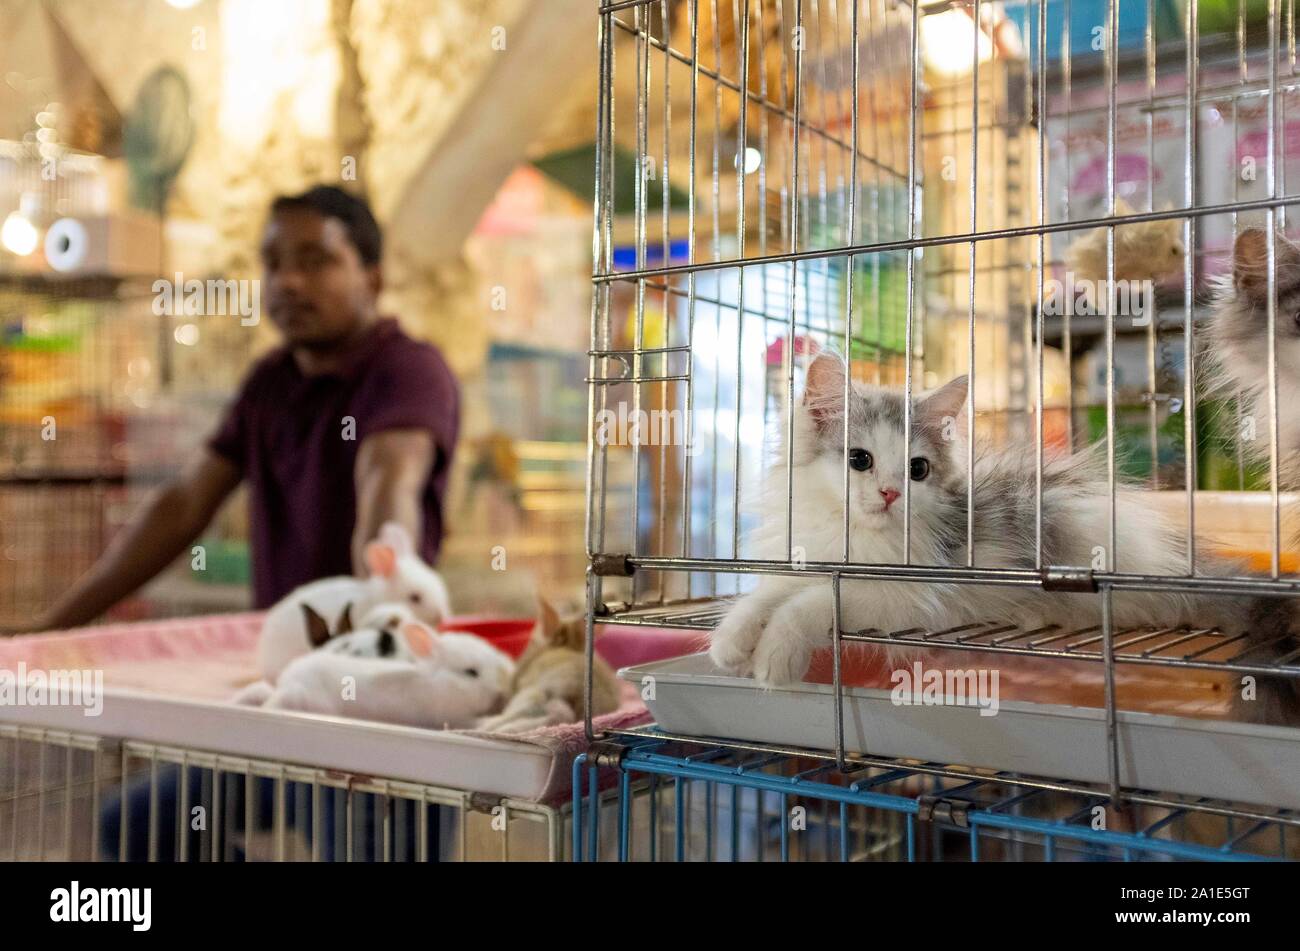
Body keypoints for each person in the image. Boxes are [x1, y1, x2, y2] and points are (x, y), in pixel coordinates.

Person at [14, 184, 459, 631]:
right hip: (284, 658)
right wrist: (52, 628)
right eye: (274, 263)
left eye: (315, 260)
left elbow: (389, 487)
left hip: (370, 654)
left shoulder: (407, 372)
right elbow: (185, 505)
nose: (288, 281)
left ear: (373, 278)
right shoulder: (270, 381)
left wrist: (372, 634)